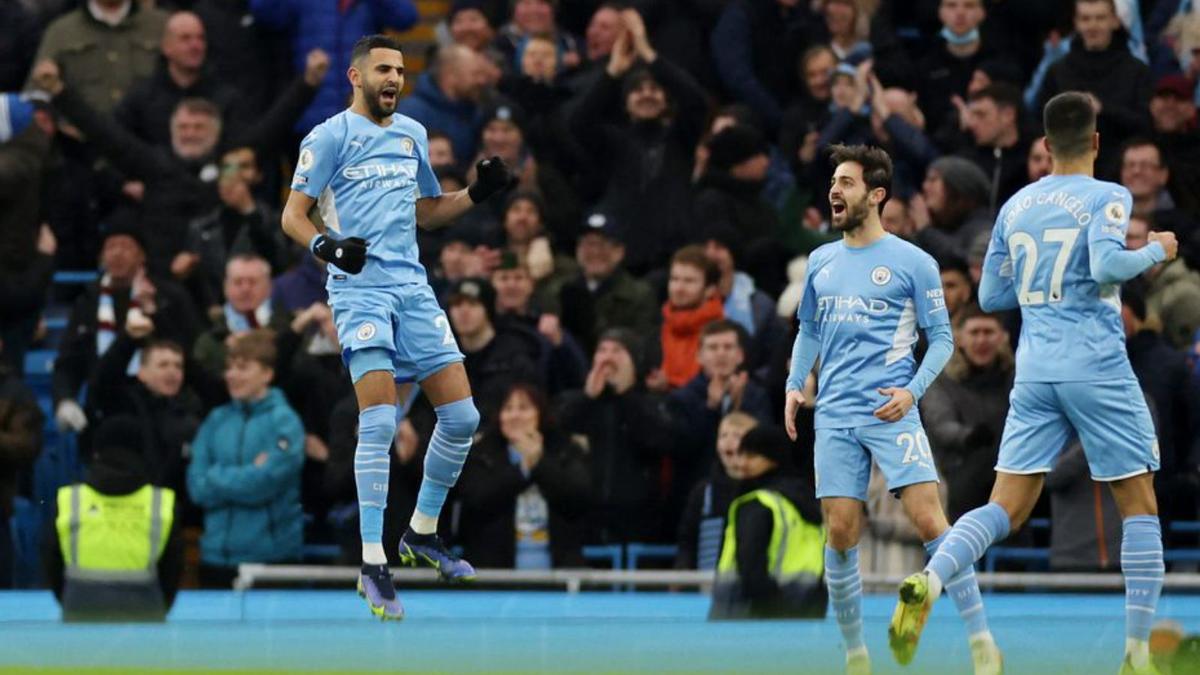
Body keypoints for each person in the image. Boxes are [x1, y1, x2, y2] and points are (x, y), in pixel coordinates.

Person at [891, 92, 1179, 675]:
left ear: (1045, 146)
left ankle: (932, 576)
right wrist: (1155, 249)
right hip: (1096, 365)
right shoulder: (1108, 196)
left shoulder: (1017, 205)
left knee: (1004, 507)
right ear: (1096, 143)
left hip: (1036, 369)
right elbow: (1105, 266)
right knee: (1139, 505)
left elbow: (993, 297)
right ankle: (1137, 655)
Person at [280, 35, 515, 620]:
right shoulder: (329, 135)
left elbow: (426, 211)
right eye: (383, 69)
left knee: (463, 417)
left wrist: (476, 194)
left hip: (412, 288)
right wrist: (328, 249)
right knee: (380, 421)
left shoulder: (411, 134)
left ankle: (422, 534)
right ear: (356, 76)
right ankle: (372, 563)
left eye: (401, 71)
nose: (394, 78)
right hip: (358, 292)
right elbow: (291, 214)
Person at [784, 144, 1000, 674]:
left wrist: (912, 393)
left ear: (876, 195)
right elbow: (808, 330)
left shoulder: (913, 262)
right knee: (839, 532)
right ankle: (857, 655)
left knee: (932, 522)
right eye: (833, 181)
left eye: (848, 183)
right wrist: (794, 385)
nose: (835, 191)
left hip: (891, 410)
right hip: (834, 413)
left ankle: (981, 642)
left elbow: (943, 340)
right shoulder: (821, 261)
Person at [186, 330, 305, 587]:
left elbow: (265, 484)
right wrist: (250, 472)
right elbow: (197, 487)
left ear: (267, 374)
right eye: (229, 368)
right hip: (215, 559)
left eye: (242, 368)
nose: (231, 375)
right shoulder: (215, 420)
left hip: (271, 561)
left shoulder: (284, 422)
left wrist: (217, 476)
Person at [44, 416, 182, 622]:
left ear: (96, 453)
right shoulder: (162, 502)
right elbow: (171, 572)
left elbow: (51, 564)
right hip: (145, 620)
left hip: (79, 618)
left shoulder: (68, 500)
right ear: (142, 453)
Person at [455, 383, 591, 568]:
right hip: (494, 573)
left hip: (559, 571)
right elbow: (476, 500)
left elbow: (577, 498)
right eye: (508, 408)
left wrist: (539, 464)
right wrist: (523, 469)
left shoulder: (564, 450)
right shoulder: (482, 454)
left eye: (524, 407)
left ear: (540, 414)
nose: (515, 415)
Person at [709, 425, 826, 620]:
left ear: (773, 459)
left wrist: (777, 613)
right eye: (742, 454)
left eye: (752, 456)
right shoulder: (806, 505)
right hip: (804, 618)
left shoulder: (757, 504)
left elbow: (752, 572)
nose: (742, 463)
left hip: (745, 622)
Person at [1034, 0, 1153, 178]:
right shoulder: (1058, 70)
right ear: (1076, 22)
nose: (1093, 25)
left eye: (1100, 18)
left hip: (1121, 174)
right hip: (1066, 173)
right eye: (1086, 19)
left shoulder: (1137, 71)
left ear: (1114, 20)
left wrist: (1104, 109)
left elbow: (1147, 125)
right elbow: (1038, 120)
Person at [921, 305, 1014, 522]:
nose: (982, 340)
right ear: (960, 338)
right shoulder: (942, 379)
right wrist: (969, 436)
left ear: (1002, 337)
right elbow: (940, 424)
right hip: (957, 478)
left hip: (1009, 476)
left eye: (988, 332)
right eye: (975, 332)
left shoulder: (1016, 378)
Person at [676, 411, 757, 571]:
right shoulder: (704, 492)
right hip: (707, 586)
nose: (728, 441)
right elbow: (687, 542)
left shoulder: (763, 490)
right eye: (723, 435)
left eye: (736, 435)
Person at [660, 245, 725, 390]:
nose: (679, 288)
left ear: (710, 290)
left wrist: (669, 385)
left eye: (689, 281)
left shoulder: (723, 333)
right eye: (674, 279)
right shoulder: (657, 325)